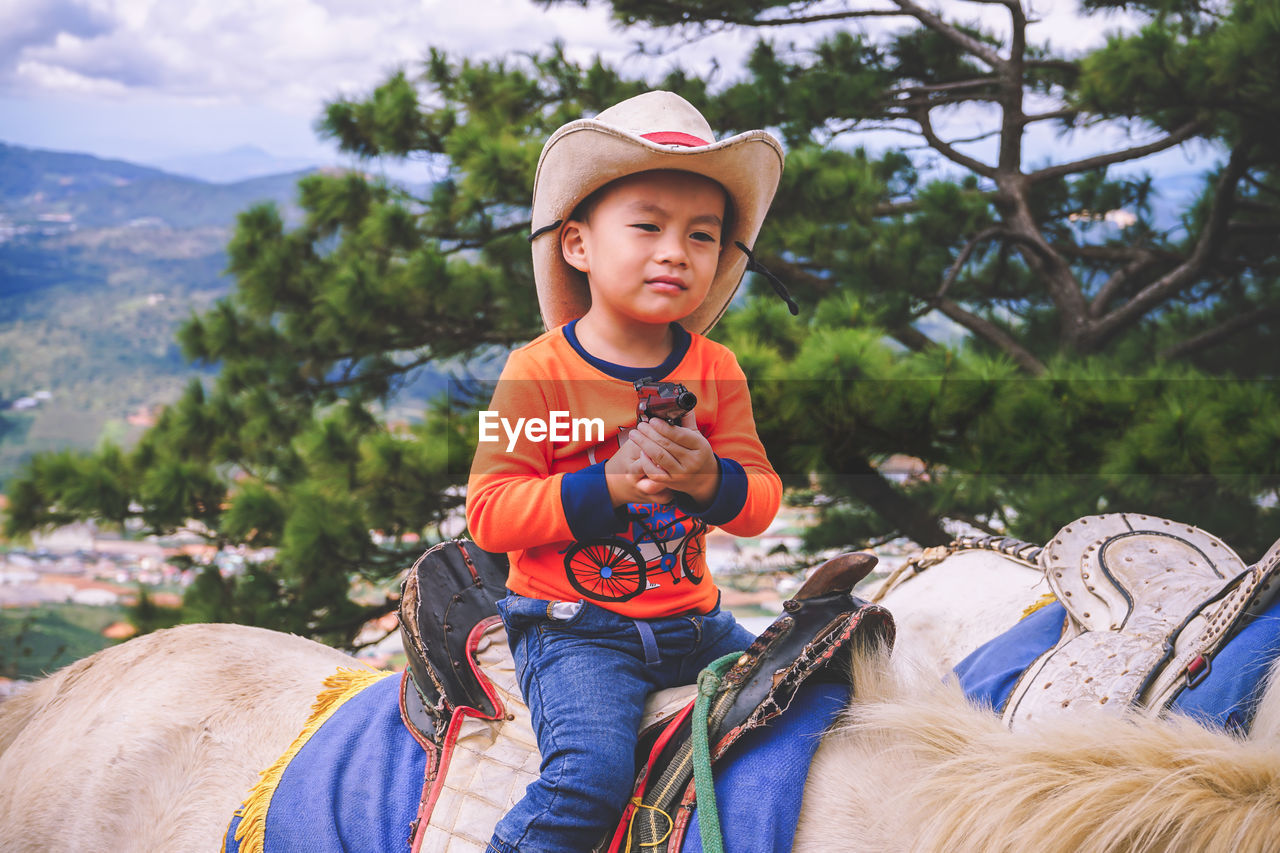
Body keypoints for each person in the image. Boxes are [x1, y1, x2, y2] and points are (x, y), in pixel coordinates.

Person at [466, 90, 786, 853]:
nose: (676, 251)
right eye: (647, 225)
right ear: (577, 243)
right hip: (577, 630)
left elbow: (761, 497)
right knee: (587, 777)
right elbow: (491, 510)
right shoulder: (537, 371)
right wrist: (606, 487)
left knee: (821, 697)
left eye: (702, 236)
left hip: (695, 621)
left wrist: (712, 481)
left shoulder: (716, 369)